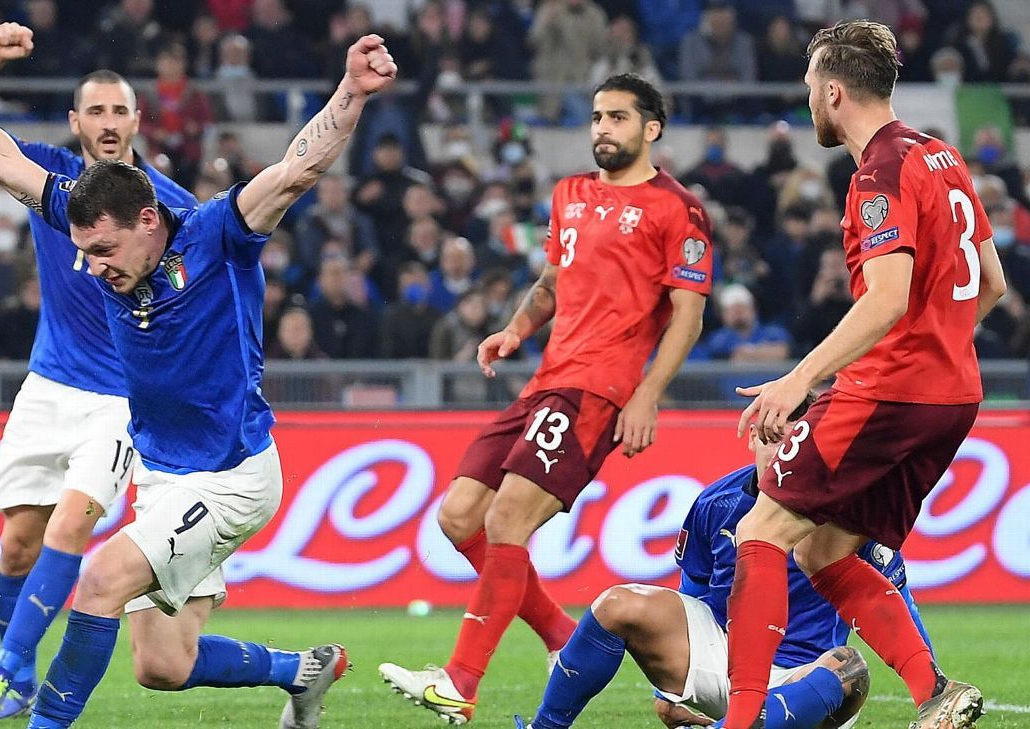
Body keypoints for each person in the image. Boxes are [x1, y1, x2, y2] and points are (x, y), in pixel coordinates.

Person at [0, 27, 396, 729]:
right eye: (84, 250)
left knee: (99, 579)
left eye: (105, 250)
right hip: (162, 472)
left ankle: (36, 710)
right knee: (161, 665)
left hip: (230, 473)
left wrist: (351, 92)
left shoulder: (215, 234)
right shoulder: (81, 207)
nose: (93, 267)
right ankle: (302, 670)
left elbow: (294, 171)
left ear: (149, 221)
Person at [379, 73, 713, 725]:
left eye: (618, 117)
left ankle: (460, 680)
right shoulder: (570, 195)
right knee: (458, 516)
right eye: (597, 117)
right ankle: (562, 634)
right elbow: (552, 281)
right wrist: (514, 330)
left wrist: (647, 394)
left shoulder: (678, 210)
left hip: (598, 390)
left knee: (507, 519)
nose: (602, 129)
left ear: (651, 129)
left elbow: (689, 315)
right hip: (545, 381)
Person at [722, 21, 1005, 729]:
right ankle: (935, 691)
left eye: (809, 86)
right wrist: (937, 350)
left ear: (834, 92)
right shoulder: (942, 156)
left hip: (891, 390)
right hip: (953, 397)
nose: (807, 100)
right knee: (822, 550)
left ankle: (740, 720)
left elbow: (886, 299)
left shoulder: (877, 173)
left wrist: (798, 380)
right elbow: (993, 282)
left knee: (761, 530)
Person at [0, 22, 200, 721]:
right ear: (75, 121)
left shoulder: (170, 207)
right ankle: (20, 671)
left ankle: (4, 669)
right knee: (17, 546)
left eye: (120, 111)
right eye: (96, 111)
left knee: (69, 529)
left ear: (137, 121)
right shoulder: (47, 175)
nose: (108, 123)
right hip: (49, 384)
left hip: (121, 399)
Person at [517, 395, 934, 729]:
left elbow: (898, 604)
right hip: (725, 662)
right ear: (752, 437)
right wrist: (667, 695)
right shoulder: (716, 502)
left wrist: (933, 694)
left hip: (804, 678)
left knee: (851, 670)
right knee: (616, 603)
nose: (781, 455)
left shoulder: (849, 512)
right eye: (772, 439)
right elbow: (693, 594)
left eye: (794, 444)